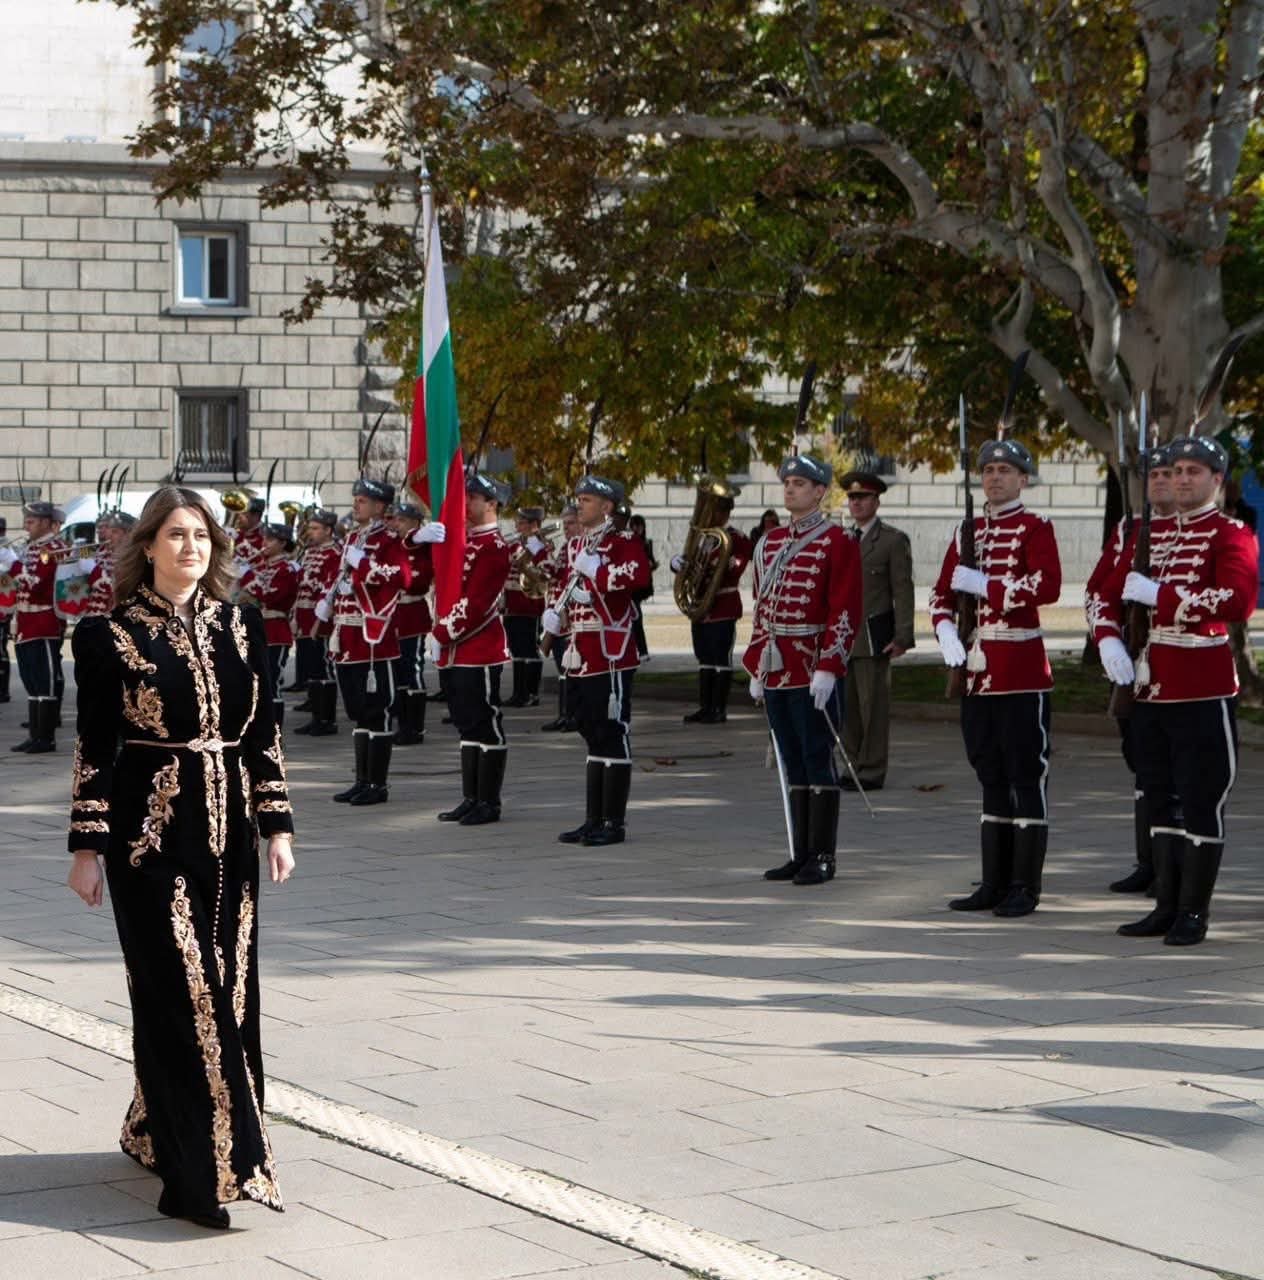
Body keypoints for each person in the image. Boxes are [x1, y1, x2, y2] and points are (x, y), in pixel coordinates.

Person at [66, 484, 294, 1229]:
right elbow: (96, 747)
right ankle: (207, 1172)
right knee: (185, 991)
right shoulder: (108, 636)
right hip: (148, 841)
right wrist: (86, 849)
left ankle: (154, 1127)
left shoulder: (243, 627)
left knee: (228, 992)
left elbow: (263, 734)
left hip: (230, 843)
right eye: (175, 535)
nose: (190, 547)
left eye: (200, 535)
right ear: (149, 548)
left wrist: (278, 824)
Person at [1095, 436, 1257, 945]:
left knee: (1201, 798)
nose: (1182, 478)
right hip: (1148, 687)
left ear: (1216, 479)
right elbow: (1103, 591)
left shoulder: (1231, 533)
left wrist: (1162, 596)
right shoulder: (1151, 534)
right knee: (1158, 797)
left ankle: (1193, 912)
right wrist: (1107, 640)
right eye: (1177, 469)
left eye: (1194, 470)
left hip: (1201, 687)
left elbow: (1237, 599)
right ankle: (1164, 905)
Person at [930, 437, 1062, 918]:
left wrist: (986, 584)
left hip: (1020, 672)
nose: (995, 477)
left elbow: (1046, 584)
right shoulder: (967, 530)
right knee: (989, 775)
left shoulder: (1035, 526)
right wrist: (945, 631)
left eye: (1006, 470)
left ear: (1023, 479)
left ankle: (1025, 885)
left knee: (1025, 777)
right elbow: (941, 593)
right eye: (988, 470)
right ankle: (994, 881)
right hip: (976, 675)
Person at [744, 456, 862, 885]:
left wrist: (830, 665)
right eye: (788, 482)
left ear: (820, 492)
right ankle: (799, 852)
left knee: (817, 757)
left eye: (800, 483)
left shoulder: (837, 542)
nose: (791, 489)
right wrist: (757, 665)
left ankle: (823, 856)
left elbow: (844, 608)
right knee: (790, 760)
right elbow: (762, 609)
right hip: (777, 666)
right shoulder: (770, 543)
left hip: (813, 665)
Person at [1084, 443, 1179, 893]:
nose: (1159, 481)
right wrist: (1106, 639)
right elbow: (1097, 590)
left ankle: (1175, 870)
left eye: (1167, 473)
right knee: (1141, 763)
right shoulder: (1129, 529)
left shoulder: (1197, 531)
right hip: (1132, 664)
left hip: (1180, 666)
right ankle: (1149, 863)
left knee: (1179, 771)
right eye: (1153, 475)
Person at [544, 475, 652, 846]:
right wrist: (555, 616)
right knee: (589, 728)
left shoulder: (622, 541)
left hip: (611, 651)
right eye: (579, 498)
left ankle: (614, 822)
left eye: (587, 500)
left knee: (612, 730)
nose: (580, 504)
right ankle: (593, 818)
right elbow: (566, 585)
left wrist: (600, 573)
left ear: (606, 507)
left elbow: (638, 576)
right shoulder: (576, 544)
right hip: (580, 649)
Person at [317, 476, 412, 806]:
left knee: (377, 709)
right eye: (356, 498)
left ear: (379, 506)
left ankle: (378, 785)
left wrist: (365, 568)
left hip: (372, 636)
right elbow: (343, 575)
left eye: (363, 500)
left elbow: (400, 576)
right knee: (357, 710)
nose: (356, 503)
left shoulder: (389, 539)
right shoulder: (354, 537)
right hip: (346, 635)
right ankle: (361, 780)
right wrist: (330, 599)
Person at [429, 472, 512, 825]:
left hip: (479, 648)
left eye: (472, 498)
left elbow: (478, 604)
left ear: (491, 504)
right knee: (466, 725)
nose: (465, 504)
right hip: (456, 651)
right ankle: (471, 797)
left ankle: (489, 802)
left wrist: (442, 633)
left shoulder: (494, 548)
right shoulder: (464, 543)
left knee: (485, 722)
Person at [839, 472, 914, 790]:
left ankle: (871, 769)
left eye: (863, 498)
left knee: (874, 708)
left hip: (874, 635)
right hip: (843, 637)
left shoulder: (892, 540)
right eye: (852, 498)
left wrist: (903, 635)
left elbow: (902, 590)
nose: (857, 503)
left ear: (876, 501)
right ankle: (852, 764)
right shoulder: (842, 539)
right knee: (848, 709)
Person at [670, 489, 752, 724]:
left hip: (723, 606)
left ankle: (719, 708)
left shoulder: (736, 538)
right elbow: (691, 563)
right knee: (704, 658)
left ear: (726, 512)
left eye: (716, 510)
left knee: (720, 658)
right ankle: (705, 707)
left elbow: (736, 567)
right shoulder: (702, 537)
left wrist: (713, 566)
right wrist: (679, 564)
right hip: (700, 606)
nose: (711, 514)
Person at [0, 499, 70, 753]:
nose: (26, 526)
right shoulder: (34, 548)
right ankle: (35, 734)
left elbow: (38, 584)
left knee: (45, 679)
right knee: (31, 679)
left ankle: (46, 738)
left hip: (44, 620)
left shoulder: (53, 548)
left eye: (30, 522)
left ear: (44, 523)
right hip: (26, 621)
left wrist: (13, 568)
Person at [238, 523, 300, 730]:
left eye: (271, 540)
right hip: (259, 629)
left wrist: (247, 576)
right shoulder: (264, 566)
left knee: (272, 683)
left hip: (276, 630)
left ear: (283, 543)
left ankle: (274, 733)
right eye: (265, 538)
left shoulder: (286, 569)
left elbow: (271, 596)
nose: (265, 544)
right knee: (256, 682)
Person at [291, 508, 342, 737]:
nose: (309, 532)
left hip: (320, 618)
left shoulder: (334, 553)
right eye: (310, 528)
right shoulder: (310, 552)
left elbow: (329, 589)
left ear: (328, 530)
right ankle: (315, 714)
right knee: (312, 668)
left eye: (315, 528)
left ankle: (326, 719)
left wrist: (319, 621)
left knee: (324, 668)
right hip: (304, 616)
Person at [387, 501, 434, 746]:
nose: (397, 525)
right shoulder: (395, 546)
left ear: (416, 523)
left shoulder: (422, 549)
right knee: (397, 671)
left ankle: (414, 727)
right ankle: (401, 721)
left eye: (402, 520)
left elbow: (416, 581)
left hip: (412, 613)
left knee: (412, 670)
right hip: (393, 615)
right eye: (396, 520)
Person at [539, 503, 581, 733]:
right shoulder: (567, 547)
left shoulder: (580, 547)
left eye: (571, 523)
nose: (566, 528)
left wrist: (541, 552)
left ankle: (573, 715)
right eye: (564, 524)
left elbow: (566, 577)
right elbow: (552, 574)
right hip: (557, 615)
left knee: (571, 669)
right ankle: (564, 714)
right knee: (562, 671)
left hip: (570, 617)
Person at [502, 505, 549, 708]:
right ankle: (518, 692)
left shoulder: (539, 547)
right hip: (512, 604)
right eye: (517, 522)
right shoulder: (514, 545)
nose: (517, 526)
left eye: (522, 523)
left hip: (530, 603)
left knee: (529, 649)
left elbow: (543, 575)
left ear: (534, 525)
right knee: (516, 650)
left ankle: (531, 692)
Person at [627, 512, 657, 661]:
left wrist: (651, 564)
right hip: (630, 586)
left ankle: (642, 651)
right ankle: (640, 651)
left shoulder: (645, 543)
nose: (636, 529)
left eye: (639, 526)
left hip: (639, 588)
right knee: (635, 620)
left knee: (636, 619)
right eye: (634, 526)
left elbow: (650, 560)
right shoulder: (628, 542)